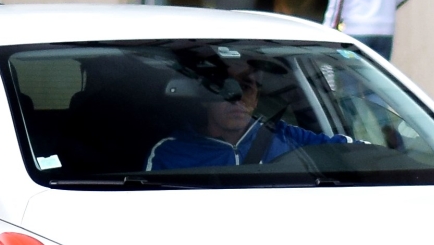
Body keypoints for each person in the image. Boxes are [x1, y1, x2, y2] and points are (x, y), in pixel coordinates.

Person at [146, 66, 350, 171]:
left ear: (256, 97)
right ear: (205, 98)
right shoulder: (170, 152)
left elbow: (354, 151)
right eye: (226, 89)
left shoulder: (286, 137)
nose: (239, 99)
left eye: (247, 88)